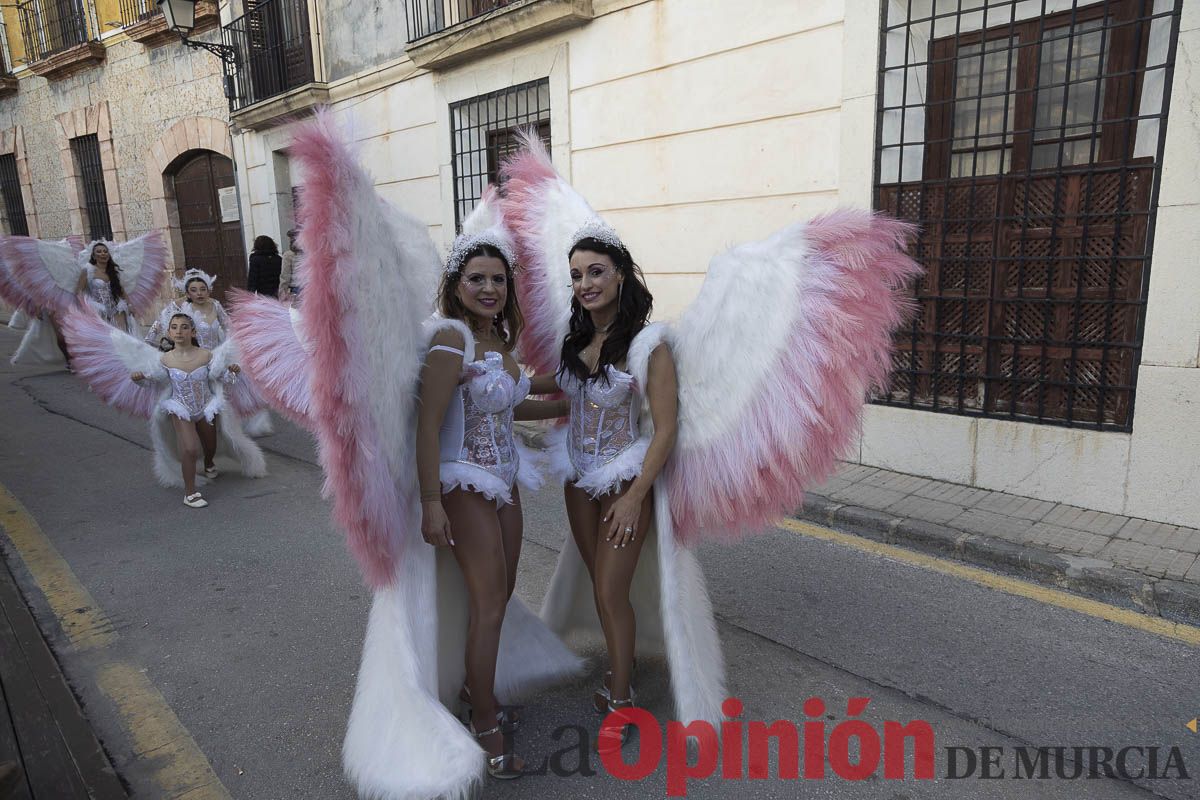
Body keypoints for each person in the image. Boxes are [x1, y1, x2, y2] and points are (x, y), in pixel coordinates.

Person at [416, 234, 566, 779]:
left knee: (500, 597)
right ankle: (485, 725)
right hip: (462, 485)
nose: (489, 288)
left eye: (498, 279)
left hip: (505, 483)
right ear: (457, 286)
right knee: (490, 606)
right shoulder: (450, 340)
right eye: (476, 278)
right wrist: (432, 502)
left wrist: (574, 397)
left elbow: (508, 406)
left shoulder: (498, 344)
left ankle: (472, 687)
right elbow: (428, 428)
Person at [278, 229, 302, 301]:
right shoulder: (311, 253)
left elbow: (285, 276)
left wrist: (282, 295)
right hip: (312, 289)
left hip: (297, 290)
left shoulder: (288, 255)